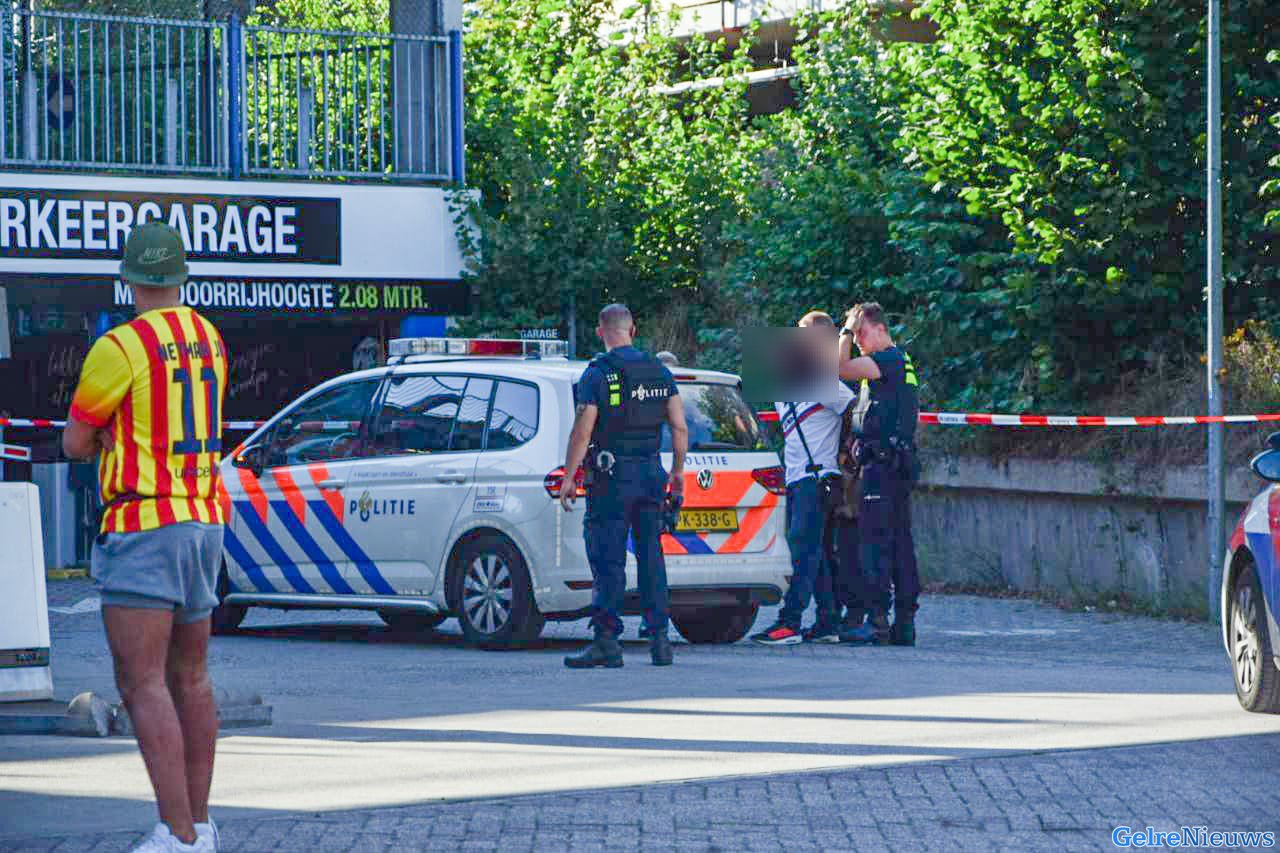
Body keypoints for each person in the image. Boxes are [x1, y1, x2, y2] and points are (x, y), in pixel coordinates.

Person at [62, 222, 228, 853]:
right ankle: (202, 825)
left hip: (143, 522)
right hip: (204, 518)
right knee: (193, 677)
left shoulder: (118, 347)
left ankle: (176, 834)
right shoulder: (208, 337)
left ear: (127, 279)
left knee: (142, 682)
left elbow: (77, 440)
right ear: (182, 277)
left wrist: (105, 438)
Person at [559, 303, 689, 667]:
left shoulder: (597, 373)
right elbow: (679, 426)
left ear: (601, 332)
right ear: (633, 330)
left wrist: (570, 476)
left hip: (612, 478)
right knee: (651, 556)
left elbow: (583, 429)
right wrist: (677, 473)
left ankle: (607, 642)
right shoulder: (659, 370)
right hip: (651, 474)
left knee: (608, 559)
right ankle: (660, 641)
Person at [750, 310, 856, 645]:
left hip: (818, 478)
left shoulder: (828, 385)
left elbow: (855, 409)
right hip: (797, 479)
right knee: (819, 552)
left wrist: (845, 451)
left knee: (801, 551)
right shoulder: (791, 382)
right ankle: (828, 621)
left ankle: (790, 622)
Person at [838, 302, 921, 646]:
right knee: (900, 542)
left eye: (861, 332)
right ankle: (903, 622)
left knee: (875, 544)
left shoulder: (885, 360)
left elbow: (840, 369)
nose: (857, 339)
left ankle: (878, 620)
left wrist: (842, 329)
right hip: (894, 463)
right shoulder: (898, 361)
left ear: (880, 329)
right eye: (854, 334)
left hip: (883, 468)